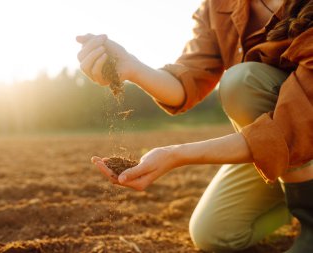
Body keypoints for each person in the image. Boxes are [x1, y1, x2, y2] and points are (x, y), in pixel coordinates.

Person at [76, 0, 313, 252]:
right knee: (214, 234)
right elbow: (187, 82)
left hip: (301, 126)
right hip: (277, 146)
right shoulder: (218, 6)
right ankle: (293, 196)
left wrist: (175, 154)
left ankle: (309, 218)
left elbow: (295, 121)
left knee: (241, 83)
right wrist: (132, 68)